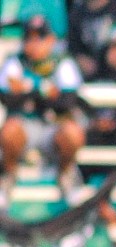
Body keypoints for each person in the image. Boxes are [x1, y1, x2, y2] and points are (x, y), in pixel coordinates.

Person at [0, 15, 88, 207]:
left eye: (39, 38)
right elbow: (7, 98)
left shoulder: (62, 62)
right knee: (9, 130)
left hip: (53, 128)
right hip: (25, 127)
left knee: (73, 133)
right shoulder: (15, 62)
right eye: (29, 39)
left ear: (50, 40)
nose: (34, 44)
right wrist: (45, 92)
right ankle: (7, 175)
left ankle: (65, 174)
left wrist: (30, 90)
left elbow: (68, 101)